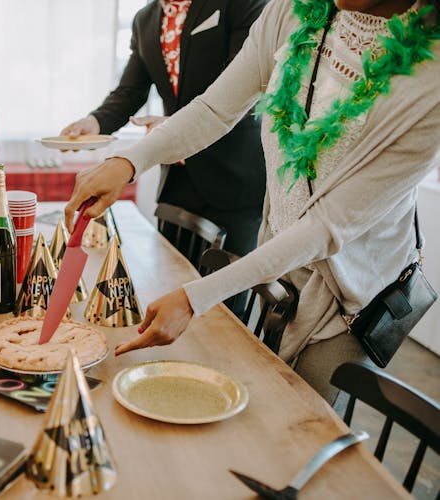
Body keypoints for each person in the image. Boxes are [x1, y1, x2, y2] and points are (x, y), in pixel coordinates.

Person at [63, 0, 440, 403]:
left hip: (351, 291)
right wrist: (128, 161)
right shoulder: (292, 11)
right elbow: (214, 109)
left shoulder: (431, 83)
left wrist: (196, 297)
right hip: (279, 255)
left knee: (298, 420)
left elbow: (326, 227)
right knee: (261, 391)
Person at [61, 0, 268, 261]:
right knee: (169, 280)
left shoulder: (240, 4)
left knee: (224, 298)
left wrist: (172, 125)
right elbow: (130, 92)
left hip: (234, 178)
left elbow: (242, 90)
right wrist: (94, 122)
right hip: (177, 180)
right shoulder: (144, 19)